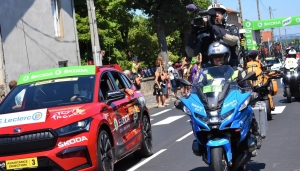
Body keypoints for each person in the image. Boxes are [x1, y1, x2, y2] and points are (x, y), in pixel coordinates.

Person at [185, 3, 240, 67]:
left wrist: (212, 27)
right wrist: (193, 32)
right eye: (213, 13)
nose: (216, 14)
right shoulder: (203, 33)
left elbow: (233, 41)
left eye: (219, 12)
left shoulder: (230, 28)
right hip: (209, 72)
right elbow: (190, 53)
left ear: (224, 15)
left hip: (231, 69)